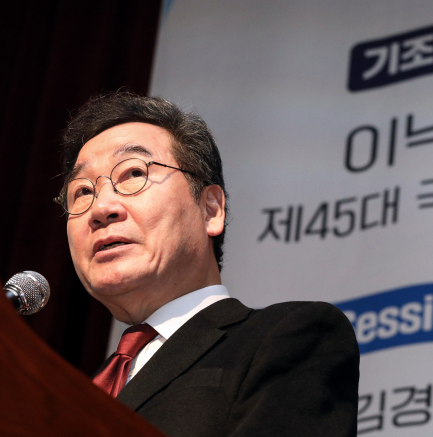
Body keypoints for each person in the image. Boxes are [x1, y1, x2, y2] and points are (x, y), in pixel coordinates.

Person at [54, 92, 360, 437]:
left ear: (210, 209)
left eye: (133, 173)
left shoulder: (289, 336)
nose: (100, 209)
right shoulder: (66, 396)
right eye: (82, 192)